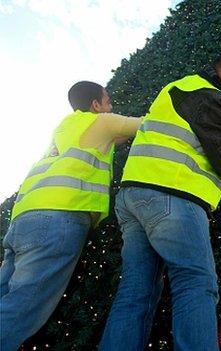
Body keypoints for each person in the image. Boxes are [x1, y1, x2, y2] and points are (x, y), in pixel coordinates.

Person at [99, 49, 221, 351]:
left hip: (133, 197)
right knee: (196, 283)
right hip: (171, 196)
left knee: (136, 293)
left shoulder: (181, 87)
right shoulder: (209, 95)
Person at [0, 81, 143, 351]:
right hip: (58, 219)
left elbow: (103, 139)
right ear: (96, 105)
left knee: (5, 298)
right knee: (21, 309)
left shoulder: (63, 130)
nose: (112, 107)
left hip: (22, 220)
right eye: (108, 102)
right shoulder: (102, 122)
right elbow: (145, 125)